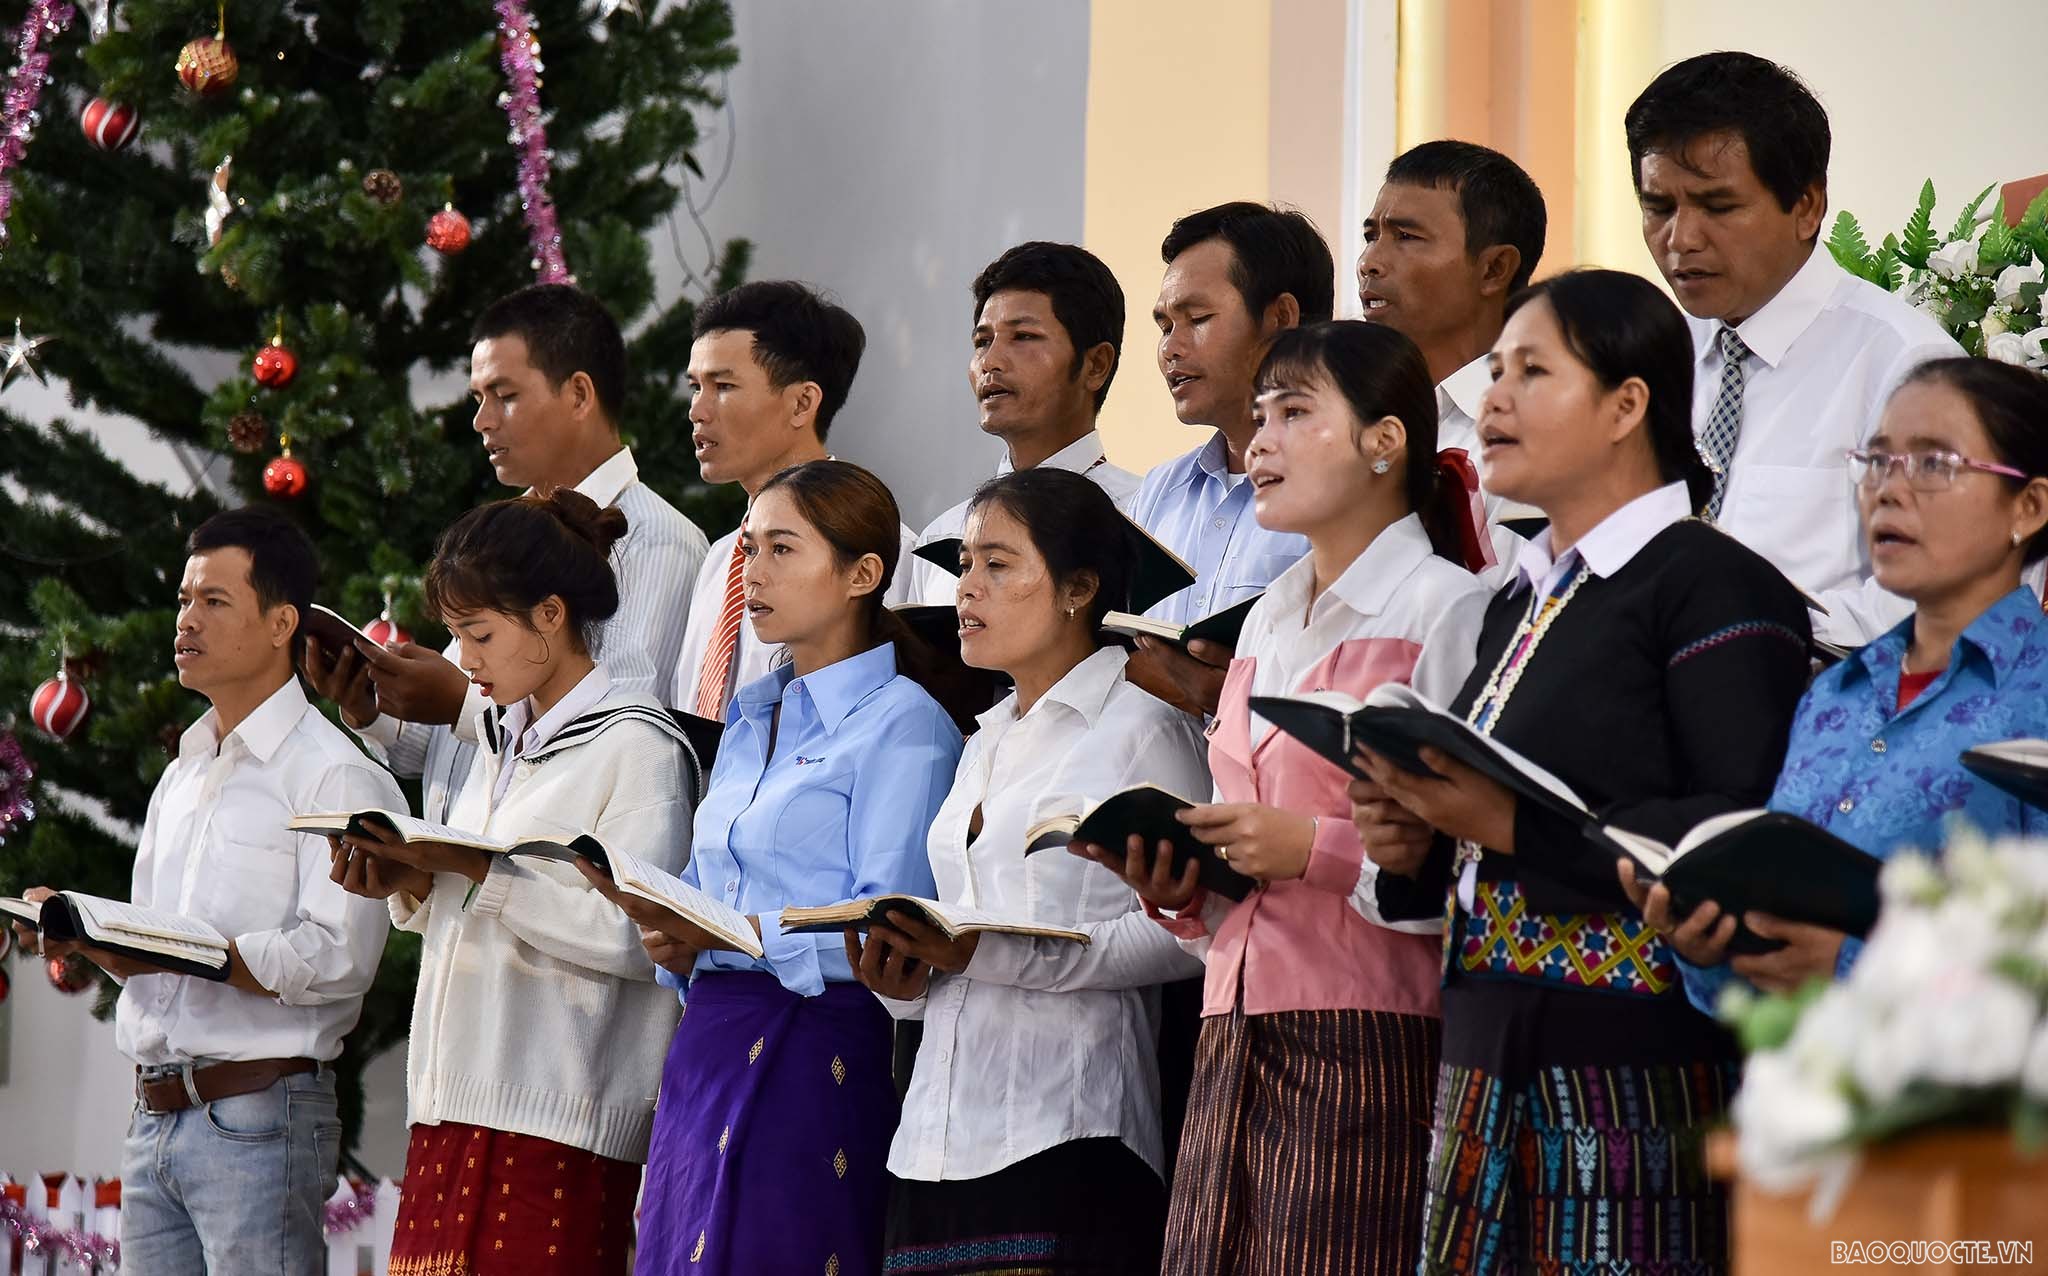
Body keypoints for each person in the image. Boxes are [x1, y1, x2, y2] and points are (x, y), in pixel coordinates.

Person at [1349, 269, 1813, 1274]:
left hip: (1633, 1061)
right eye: (1494, 371)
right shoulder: (1515, 599)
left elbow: (1739, 824)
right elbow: (1479, 835)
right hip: (1482, 1046)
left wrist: (1511, 825)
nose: (1493, 397)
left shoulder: (1709, 582)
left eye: (1530, 370)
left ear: (1625, 404)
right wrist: (1413, 840)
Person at [1085, 321, 1489, 1275]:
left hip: (1373, 1033)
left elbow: (1475, 854)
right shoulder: (1268, 615)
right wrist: (1183, 883)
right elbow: (1248, 846)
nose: (1258, 439)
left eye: (1294, 412)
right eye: (1259, 414)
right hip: (1232, 1029)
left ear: (1385, 440)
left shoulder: (1446, 607)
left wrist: (1309, 845)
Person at [601, 461, 966, 1276]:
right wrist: (679, 940)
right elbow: (711, 883)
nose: (752, 573)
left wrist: (744, 939)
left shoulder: (905, 725)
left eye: (782, 550)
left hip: (814, 1045)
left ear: (862, 574)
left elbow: (894, 927)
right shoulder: (748, 716)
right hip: (708, 1042)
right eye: (748, 548)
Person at [13, 508, 402, 1274]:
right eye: (185, 601)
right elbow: (158, 957)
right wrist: (90, 936)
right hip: (153, 1116)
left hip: (260, 1116)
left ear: (281, 621)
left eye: (214, 601)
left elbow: (339, 960)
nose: (187, 620)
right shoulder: (184, 772)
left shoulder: (334, 774)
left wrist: (203, 956)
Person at [843, 468, 1209, 1272]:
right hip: (934, 1132)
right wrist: (903, 984)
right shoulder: (984, 736)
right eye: (965, 563)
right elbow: (957, 929)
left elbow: (1192, 934)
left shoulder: (1144, 728)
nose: (967, 586)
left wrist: (994, 953)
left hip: (1069, 1126)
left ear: (1079, 588)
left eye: (998, 564)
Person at [330, 491, 697, 1276]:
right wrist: (414, 881)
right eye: (457, 635)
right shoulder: (497, 742)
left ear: (551, 615)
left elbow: (641, 938)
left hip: (558, 1125)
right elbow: (482, 908)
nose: (463, 661)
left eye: (480, 634)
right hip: (448, 1108)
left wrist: (478, 868)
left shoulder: (637, 746)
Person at [1625, 358, 2048, 1012]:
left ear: (2030, 505)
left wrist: (1851, 965)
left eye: (1934, 464)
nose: (1889, 490)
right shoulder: (1835, 693)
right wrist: (1710, 950)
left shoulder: (2036, 692)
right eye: (1876, 462)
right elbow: (1759, 982)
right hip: (1801, 1092)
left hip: (1973, 1109)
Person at [303, 283, 707, 822]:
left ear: (580, 395)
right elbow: (438, 754)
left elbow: (628, 734)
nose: (482, 421)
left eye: (506, 395)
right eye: (477, 398)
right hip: (467, 869)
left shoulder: (656, 538)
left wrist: (458, 702)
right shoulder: (503, 535)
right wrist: (372, 707)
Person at [1627, 51, 1959, 645]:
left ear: (1807, 206)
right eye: (1658, 208)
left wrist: (1729, 641)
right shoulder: (1654, 354)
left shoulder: (1910, 368)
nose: (1680, 238)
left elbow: (1931, 601)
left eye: (1717, 206)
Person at [674, 281, 943, 718]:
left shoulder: (878, 549)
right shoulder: (719, 559)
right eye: (695, 386)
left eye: (723, 386)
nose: (698, 410)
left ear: (802, 402)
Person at [1126, 202, 1332, 717]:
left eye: (1196, 319)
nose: (1169, 349)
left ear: (1280, 319)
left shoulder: (1344, 486)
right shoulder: (1160, 491)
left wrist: (1233, 701)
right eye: (1163, 326)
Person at [1358, 139, 1548, 577]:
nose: (1369, 261)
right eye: (1371, 236)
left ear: (1494, 269)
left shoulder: (1541, 427)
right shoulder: (1355, 417)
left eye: (1406, 237)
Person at [911, 242, 1143, 582]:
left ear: (1096, 364)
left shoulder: (1144, 520)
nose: (990, 362)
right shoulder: (941, 539)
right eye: (982, 341)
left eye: (1023, 336)